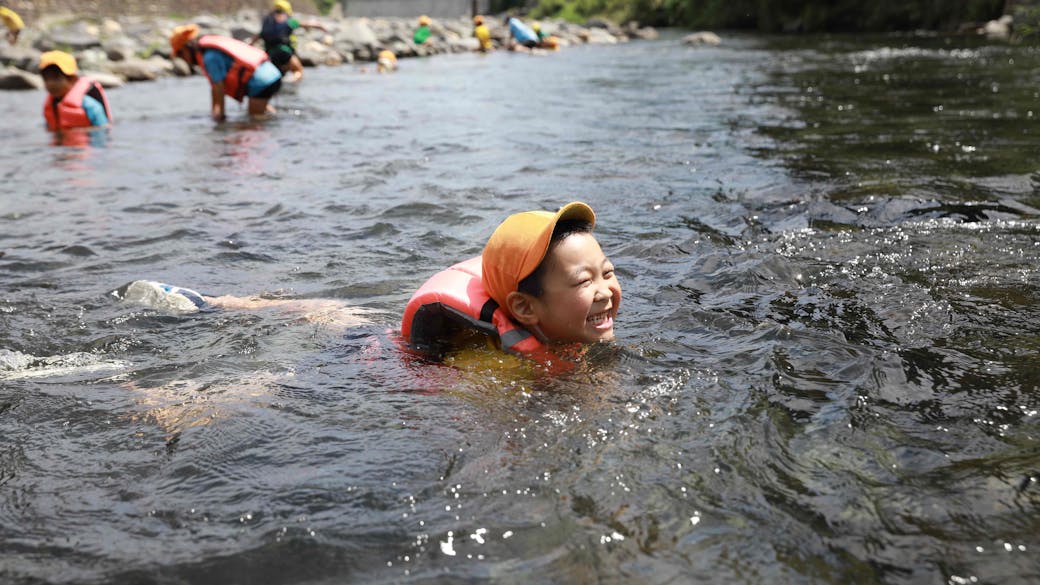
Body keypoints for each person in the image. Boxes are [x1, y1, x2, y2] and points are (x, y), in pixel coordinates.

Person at [401, 202, 621, 365]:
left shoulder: (570, 328)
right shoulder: (498, 369)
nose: (604, 292)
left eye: (607, 272)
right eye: (584, 281)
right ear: (524, 307)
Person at [170, 24, 282, 121]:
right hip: (271, 73)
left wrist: (220, 118)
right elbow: (215, 87)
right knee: (262, 112)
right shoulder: (209, 50)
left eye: (180, 54)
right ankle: (279, 120)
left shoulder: (209, 57)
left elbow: (219, 88)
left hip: (261, 81)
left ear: (186, 48)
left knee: (255, 119)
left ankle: (276, 134)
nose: (183, 59)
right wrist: (214, 111)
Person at [249, 0, 327, 83]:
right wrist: (320, 26)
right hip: (284, 52)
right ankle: (291, 83)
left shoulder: (267, 22)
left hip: (270, 55)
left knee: (277, 74)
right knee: (298, 70)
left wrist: (249, 45)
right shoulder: (288, 21)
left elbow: (258, 36)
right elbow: (306, 24)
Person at [39, 50, 112, 131]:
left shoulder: (89, 105)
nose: (51, 84)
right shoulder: (52, 105)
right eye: (46, 79)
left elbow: (104, 128)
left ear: (72, 79)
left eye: (56, 78)